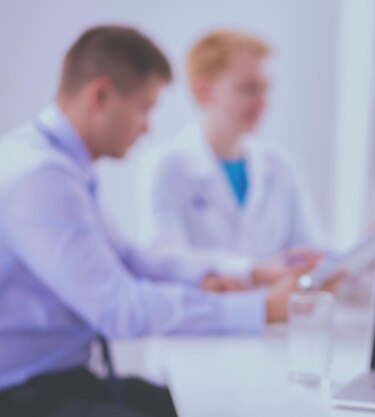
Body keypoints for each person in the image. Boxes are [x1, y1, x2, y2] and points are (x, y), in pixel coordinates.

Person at [0, 25, 321, 417]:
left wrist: (225, 276)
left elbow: (132, 258)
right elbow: (120, 308)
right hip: (23, 394)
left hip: (63, 378)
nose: (148, 126)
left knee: (201, 405)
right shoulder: (41, 176)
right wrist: (260, 309)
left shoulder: (63, 166)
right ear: (101, 94)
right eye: (144, 108)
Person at [145, 29, 325, 288]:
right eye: (249, 89)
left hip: (277, 322)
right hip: (203, 321)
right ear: (204, 92)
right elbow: (165, 258)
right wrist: (253, 271)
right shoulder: (166, 166)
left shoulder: (280, 165)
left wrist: (355, 257)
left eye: (266, 88)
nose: (263, 101)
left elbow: (310, 250)